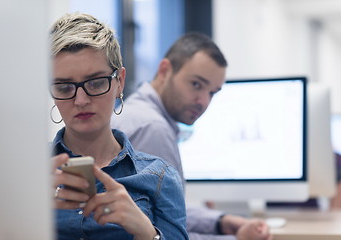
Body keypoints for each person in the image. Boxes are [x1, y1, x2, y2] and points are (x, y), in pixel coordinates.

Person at [112, 32, 271, 240]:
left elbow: (167, 213)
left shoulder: (138, 112)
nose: (203, 101)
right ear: (164, 70)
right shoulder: (154, 128)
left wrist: (220, 222)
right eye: (196, 84)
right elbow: (165, 234)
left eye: (212, 92)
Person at [50, 12, 188, 240]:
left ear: (119, 82)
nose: (81, 100)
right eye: (64, 87)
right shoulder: (28, 173)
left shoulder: (159, 177)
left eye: (96, 83)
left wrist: (147, 233)